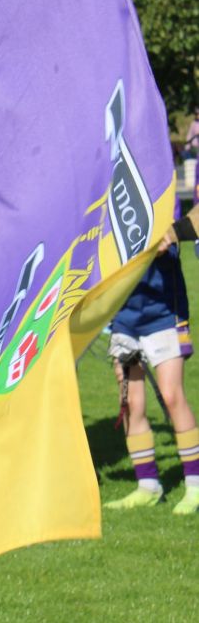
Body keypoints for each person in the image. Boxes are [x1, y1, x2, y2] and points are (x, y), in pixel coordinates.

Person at [105, 197, 199, 516]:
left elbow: (177, 231)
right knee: (132, 403)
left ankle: (195, 486)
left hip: (163, 313)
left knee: (172, 396)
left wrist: (169, 236)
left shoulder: (158, 192)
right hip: (124, 317)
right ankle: (148, 487)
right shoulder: (106, 199)